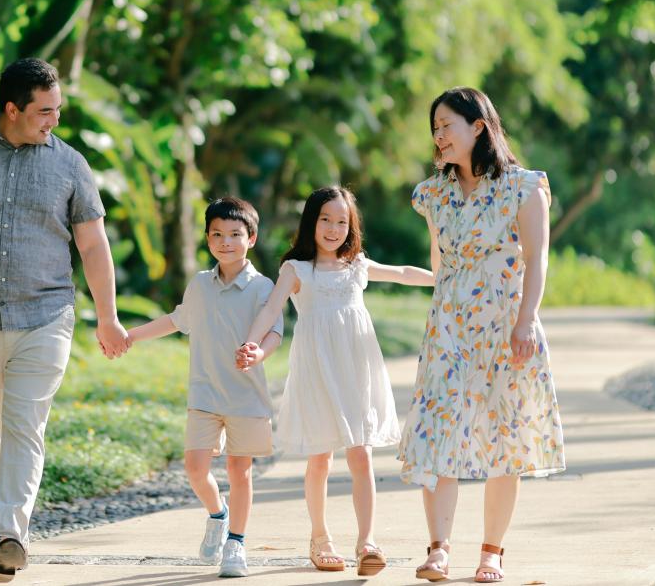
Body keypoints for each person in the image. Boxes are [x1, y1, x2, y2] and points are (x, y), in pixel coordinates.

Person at [0, 58, 130, 584]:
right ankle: (2, 539)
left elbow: (93, 244)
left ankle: (8, 535)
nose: (54, 120)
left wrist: (109, 316)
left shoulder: (71, 165)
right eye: (45, 111)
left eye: (58, 110)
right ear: (12, 109)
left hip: (46, 315)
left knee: (24, 428)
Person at [398, 87, 565, 584]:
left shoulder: (524, 186)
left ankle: (492, 552)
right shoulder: (433, 192)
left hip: (504, 322)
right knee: (436, 429)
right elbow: (437, 261)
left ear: (478, 126)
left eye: (446, 125)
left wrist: (526, 319)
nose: (438, 136)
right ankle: (438, 549)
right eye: (434, 128)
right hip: (448, 323)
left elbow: (537, 259)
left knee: (504, 435)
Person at [240, 186, 434, 576]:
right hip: (316, 368)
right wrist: (251, 343)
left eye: (342, 221)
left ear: (352, 226)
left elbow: (401, 274)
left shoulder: (356, 264)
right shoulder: (297, 270)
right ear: (311, 222)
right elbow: (270, 309)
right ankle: (320, 536)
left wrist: (443, 279)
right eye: (325, 219)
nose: (333, 228)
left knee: (360, 452)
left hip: (356, 366)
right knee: (321, 457)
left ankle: (367, 542)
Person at [126, 197, 283, 578]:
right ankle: (217, 515)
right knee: (196, 469)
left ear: (252, 238)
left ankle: (236, 543)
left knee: (239, 471)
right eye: (216, 234)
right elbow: (177, 320)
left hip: (247, 396)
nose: (225, 242)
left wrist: (258, 354)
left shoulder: (264, 287)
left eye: (234, 234)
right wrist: (130, 336)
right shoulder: (200, 284)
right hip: (205, 393)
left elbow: (275, 333)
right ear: (207, 239)